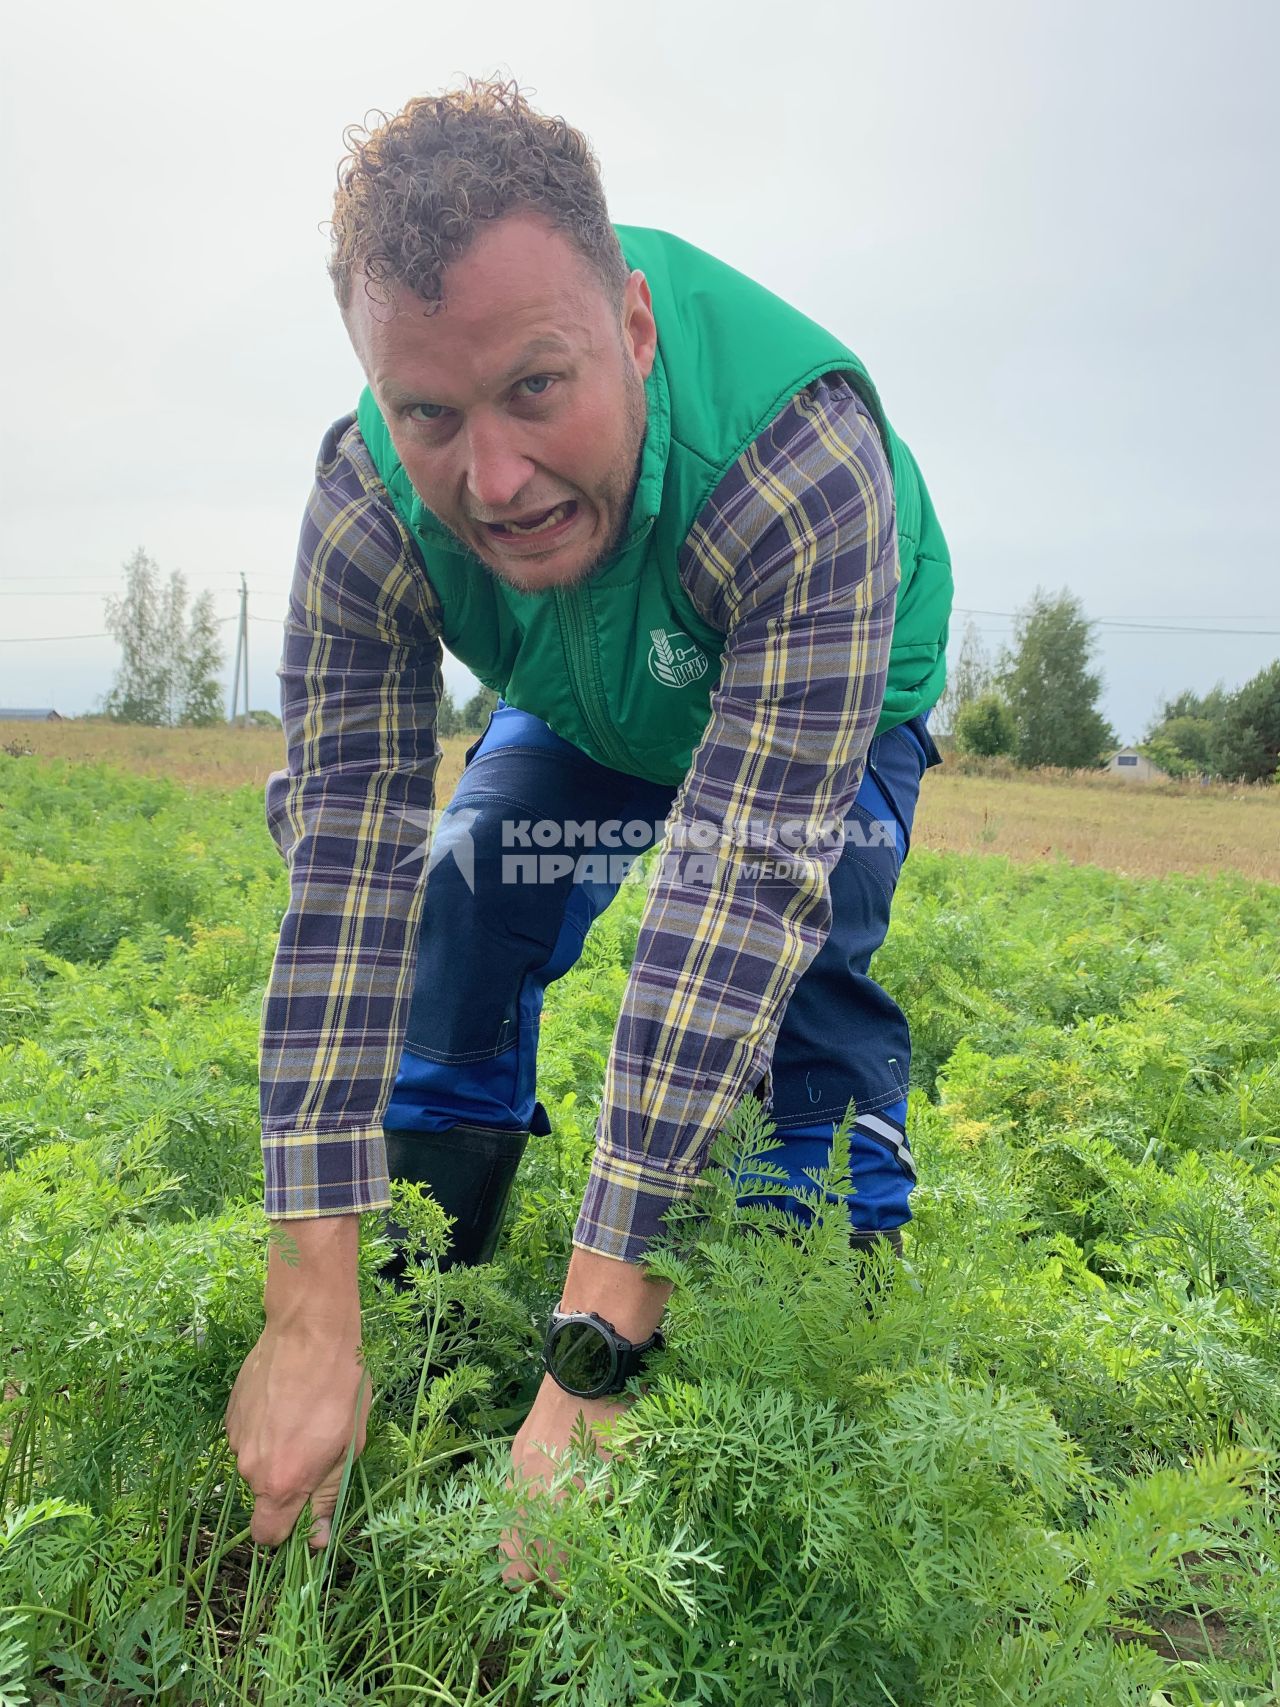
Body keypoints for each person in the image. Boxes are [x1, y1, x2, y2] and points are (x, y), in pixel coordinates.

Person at [224, 76, 953, 1577]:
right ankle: (430, 1300)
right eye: (432, 411)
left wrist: (588, 1367)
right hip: (585, 681)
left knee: (793, 1000)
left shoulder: (797, 463)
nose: (490, 478)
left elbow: (732, 902)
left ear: (631, 330)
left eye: (536, 390)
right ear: (379, 384)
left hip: (811, 677)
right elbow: (344, 869)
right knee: (461, 896)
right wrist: (312, 1299)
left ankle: (822, 1350)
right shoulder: (370, 498)